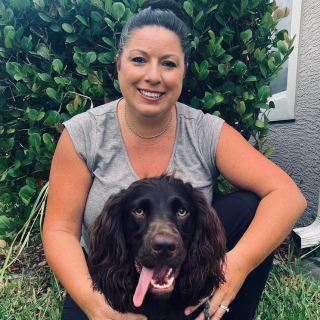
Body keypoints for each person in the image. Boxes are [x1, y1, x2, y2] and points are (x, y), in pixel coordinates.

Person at [42, 1, 307, 319]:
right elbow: (59, 229)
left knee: (251, 206)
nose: (153, 76)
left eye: (168, 64)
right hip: (110, 279)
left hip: (184, 277)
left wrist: (236, 265)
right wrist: (92, 302)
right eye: (139, 60)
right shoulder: (83, 134)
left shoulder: (206, 130)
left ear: (183, 71)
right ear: (118, 66)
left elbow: (288, 196)